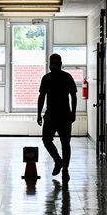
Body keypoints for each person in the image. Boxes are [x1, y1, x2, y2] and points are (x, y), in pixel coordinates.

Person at [37, 53, 77, 181]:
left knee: (65, 144)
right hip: (50, 115)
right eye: (52, 63)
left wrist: (73, 112)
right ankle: (58, 161)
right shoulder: (46, 78)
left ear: (60, 64)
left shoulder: (67, 77)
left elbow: (74, 96)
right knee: (46, 140)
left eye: (56, 63)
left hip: (64, 115)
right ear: (49, 64)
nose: (53, 65)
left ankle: (65, 170)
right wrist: (38, 113)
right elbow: (42, 96)